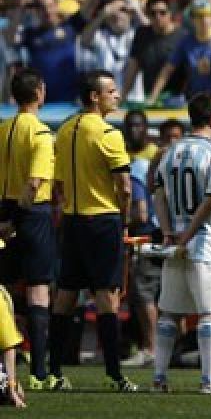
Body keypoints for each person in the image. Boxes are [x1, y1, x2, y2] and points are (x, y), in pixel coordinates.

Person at [46, 70, 135, 392]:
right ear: (94, 97)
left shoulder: (66, 129)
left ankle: (52, 371)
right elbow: (124, 187)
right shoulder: (108, 134)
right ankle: (114, 375)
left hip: (71, 220)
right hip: (102, 220)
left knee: (66, 295)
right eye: (111, 91)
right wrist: (124, 219)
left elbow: (57, 182)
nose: (117, 95)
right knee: (107, 295)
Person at [150, 92, 211, 394]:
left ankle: (159, 377)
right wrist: (188, 234)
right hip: (204, 242)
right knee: (208, 312)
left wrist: (169, 231)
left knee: (170, 311)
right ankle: (209, 380)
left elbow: (157, 192)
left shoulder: (171, 151)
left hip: (175, 243)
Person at [0, 69, 54, 389]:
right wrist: (16, 220)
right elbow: (33, 184)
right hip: (30, 214)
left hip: (3, 208)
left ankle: (8, 361)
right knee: (38, 288)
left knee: (4, 288)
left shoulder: (4, 128)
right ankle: (39, 370)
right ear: (39, 93)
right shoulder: (40, 134)